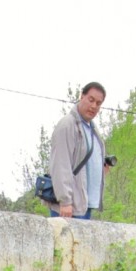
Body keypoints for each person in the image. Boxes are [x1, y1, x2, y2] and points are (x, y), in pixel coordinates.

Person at [47, 82, 110, 220]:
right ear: (82, 96)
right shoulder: (67, 125)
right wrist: (65, 201)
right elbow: (60, 164)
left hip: (83, 206)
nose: (94, 106)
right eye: (91, 100)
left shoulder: (92, 129)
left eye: (98, 103)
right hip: (69, 208)